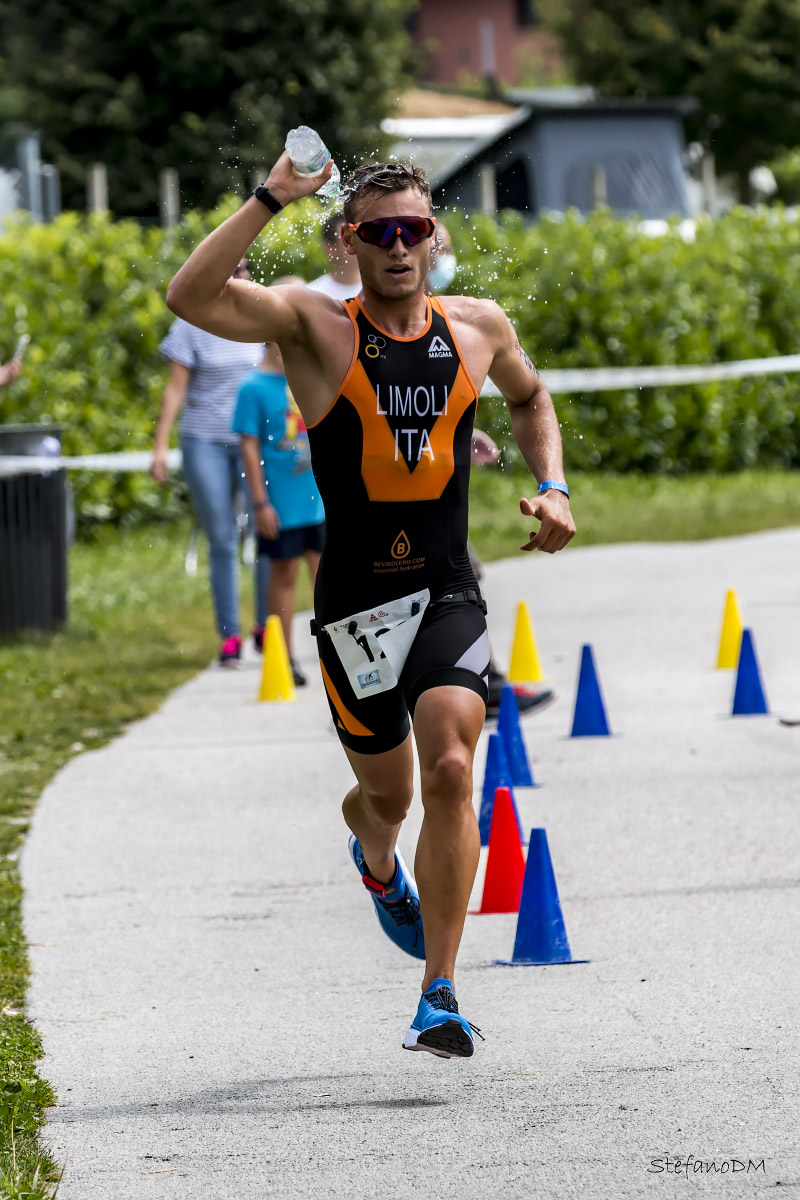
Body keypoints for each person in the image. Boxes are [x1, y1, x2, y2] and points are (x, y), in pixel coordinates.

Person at [166, 156, 575, 1059]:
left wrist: (552, 484)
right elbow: (190, 296)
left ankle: (439, 992)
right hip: (355, 606)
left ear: (435, 238)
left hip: (445, 592)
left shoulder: (478, 327)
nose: (400, 246)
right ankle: (376, 862)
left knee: (455, 769)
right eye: (379, 231)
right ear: (351, 243)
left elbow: (532, 395)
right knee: (381, 799)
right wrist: (275, 196)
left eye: (415, 229)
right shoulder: (313, 327)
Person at [152, 258, 270, 665]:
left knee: (266, 530)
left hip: (255, 441)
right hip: (205, 439)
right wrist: (159, 447)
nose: (238, 275)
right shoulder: (191, 324)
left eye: (244, 268)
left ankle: (265, 627)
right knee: (221, 537)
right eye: (230, 268)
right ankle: (230, 636)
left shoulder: (259, 317)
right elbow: (174, 390)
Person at [233, 278, 325, 687]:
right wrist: (259, 503)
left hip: (319, 499)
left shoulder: (314, 373)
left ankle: (337, 659)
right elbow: (249, 449)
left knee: (326, 576)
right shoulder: (253, 387)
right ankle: (282, 657)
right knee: (283, 575)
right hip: (279, 502)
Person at [307, 212, 361, 300]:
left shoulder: (381, 292)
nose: (357, 244)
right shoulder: (311, 295)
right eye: (348, 239)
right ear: (329, 249)